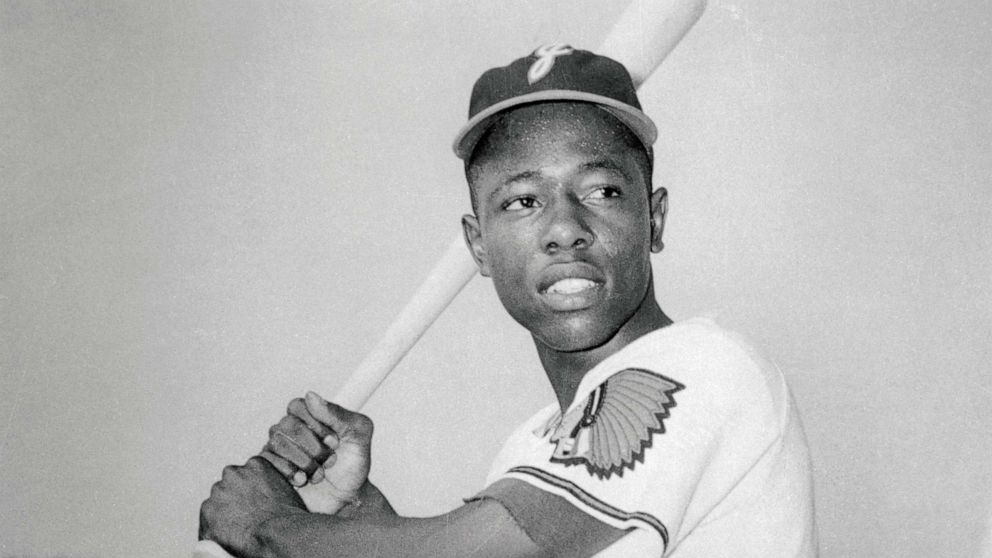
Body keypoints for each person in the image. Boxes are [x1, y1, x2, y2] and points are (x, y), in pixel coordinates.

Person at [199, 45, 817, 557]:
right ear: (479, 247)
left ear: (652, 219)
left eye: (602, 190)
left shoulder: (704, 366)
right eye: (523, 201)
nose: (564, 227)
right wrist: (353, 511)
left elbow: (481, 554)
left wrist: (268, 525)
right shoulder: (531, 445)